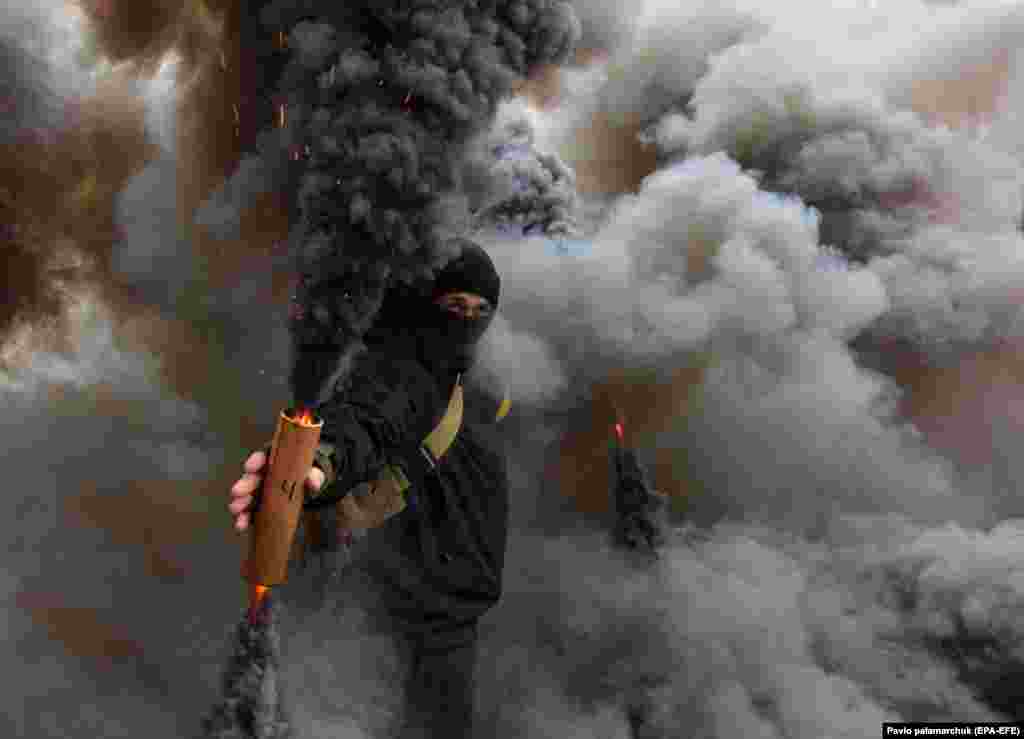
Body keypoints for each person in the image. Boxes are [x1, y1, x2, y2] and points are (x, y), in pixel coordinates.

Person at [228, 239, 508, 739]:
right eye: (454, 307)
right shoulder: (405, 368)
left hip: (457, 618)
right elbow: (365, 422)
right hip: (410, 626)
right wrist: (316, 466)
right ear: (426, 305)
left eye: (480, 310)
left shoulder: (471, 379)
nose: (468, 321)